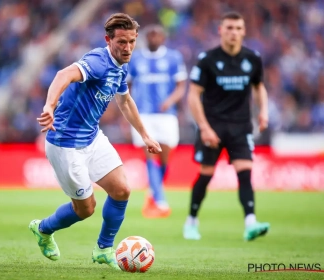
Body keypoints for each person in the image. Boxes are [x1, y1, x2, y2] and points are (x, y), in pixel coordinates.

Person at [29, 13, 161, 270]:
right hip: (65, 143)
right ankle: (43, 229)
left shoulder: (122, 64)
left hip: (92, 137)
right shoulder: (98, 61)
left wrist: (145, 134)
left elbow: (124, 100)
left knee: (122, 190)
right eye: (122, 42)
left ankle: (103, 249)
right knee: (85, 209)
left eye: (132, 41)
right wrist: (49, 105)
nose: (128, 47)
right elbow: (63, 75)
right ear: (108, 40)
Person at [183, 11, 270, 241]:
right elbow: (193, 95)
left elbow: (259, 86)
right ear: (220, 30)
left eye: (238, 28)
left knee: (245, 173)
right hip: (212, 126)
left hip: (240, 127)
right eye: (229, 28)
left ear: (244, 31)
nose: (233, 32)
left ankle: (250, 222)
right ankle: (191, 220)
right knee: (206, 174)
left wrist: (264, 112)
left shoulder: (253, 58)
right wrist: (204, 127)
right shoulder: (207, 59)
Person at [127, 24, 187, 218]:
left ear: (163, 38)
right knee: (151, 155)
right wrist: (130, 109)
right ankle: (161, 202)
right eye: (150, 35)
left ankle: (152, 193)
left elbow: (180, 87)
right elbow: (126, 86)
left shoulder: (173, 57)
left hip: (167, 114)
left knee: (165, 157)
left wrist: (169, 101)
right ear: (146, 38)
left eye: (157, 35)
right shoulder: (135, 59)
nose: (154, 38)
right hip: (143, 115)